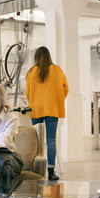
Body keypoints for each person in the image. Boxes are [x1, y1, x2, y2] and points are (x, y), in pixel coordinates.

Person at [25, 46, 69, 181]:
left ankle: (37, 169)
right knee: (51, 140)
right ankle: (51, 171)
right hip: (52, 108)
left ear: (36, 57)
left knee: (37, 141)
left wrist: (34, 101)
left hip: (36, 109)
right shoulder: (57, 71)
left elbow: (27, 92)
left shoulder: (31, 72)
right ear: (49, 56)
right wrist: (56, 100)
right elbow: (65, 88)